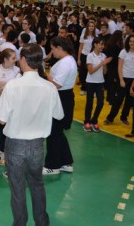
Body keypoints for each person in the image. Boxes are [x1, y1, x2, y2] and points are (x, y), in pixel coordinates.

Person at [0, 43, 63, 226]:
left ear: (24, 60)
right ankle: (42, 222)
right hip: (37, 146)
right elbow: (59, 114)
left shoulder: (13, 86)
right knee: (37, 185)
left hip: (16, 145)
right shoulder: (49, 87)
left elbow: (2, 119)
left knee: (17, 189)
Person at [43, 36, 77, 175]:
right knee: (58, 132)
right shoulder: (68, 60)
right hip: (64, 97)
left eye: (52, 49)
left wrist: (45, 76)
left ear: (59, 48)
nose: (52, 52)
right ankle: (66, 161)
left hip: (61, 98)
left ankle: (53, 165)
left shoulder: (65, 63)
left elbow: (57, 83)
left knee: (53, 133)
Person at [83, 38, 112, 132]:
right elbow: (90, 71)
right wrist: (102, 63)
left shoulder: (103, 55)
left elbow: (105, 72)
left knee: (100, 103)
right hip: (90, 82)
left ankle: (94, 121)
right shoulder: (90, 56)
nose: (102, 46)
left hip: (100, 82)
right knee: (89, 103)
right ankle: (86, 122)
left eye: (103, 45)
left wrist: (105, 66)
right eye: (101, 44)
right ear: (95, 44)